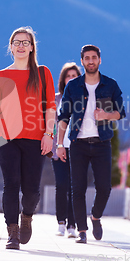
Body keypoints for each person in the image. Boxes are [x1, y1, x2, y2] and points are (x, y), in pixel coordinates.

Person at [0, 26, 56, 250]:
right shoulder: (2, 76)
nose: (21, 46)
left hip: (35, 139)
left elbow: (50, 107)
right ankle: (12, 232)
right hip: (5, 139)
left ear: (32, 47)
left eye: (25, 42)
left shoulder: (43, 73)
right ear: (10, 47)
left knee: (31, 190)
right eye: (17, 42)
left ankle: (27, 216)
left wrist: (49, 134)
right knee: (11, 185)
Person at [56, 44, 126, 244]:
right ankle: (82, 231)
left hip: (102, 143)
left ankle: (95, 217)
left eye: (94, 57)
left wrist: (106, 115)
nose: (91, 61)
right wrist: (60, 144)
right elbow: (64, 117)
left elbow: (121, 112)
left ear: (99, 60)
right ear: (82, 61)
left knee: (104, 188)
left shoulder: (110, 85)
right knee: (77, 189)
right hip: (78, 143)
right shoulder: (73, 86)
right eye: (87, 58)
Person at [51, 62, 81, 238]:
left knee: (74, 187)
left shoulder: (84, 98)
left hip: (78, 148)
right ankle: (61, 223)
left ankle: (72, 225)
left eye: (74, 76)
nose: (71, 79)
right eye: (68, 76)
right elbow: (50, 123)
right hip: (59, 147)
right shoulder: (56, 99)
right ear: (63, 80)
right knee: (61, 185)